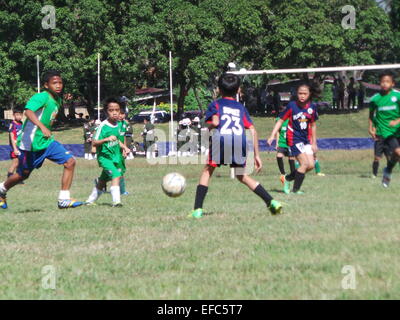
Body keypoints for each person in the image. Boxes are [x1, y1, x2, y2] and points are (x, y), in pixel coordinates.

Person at [189, 73, 283, 219]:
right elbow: (252, 129)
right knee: (242, 175)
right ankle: (271, 202)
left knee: (207, 171)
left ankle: (197, 210)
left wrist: (206, 129)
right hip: (239, 141)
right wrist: (257, 155)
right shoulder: (240, 107)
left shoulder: (216, 104)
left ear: (219, 90)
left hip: (221, 139)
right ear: (238, 90)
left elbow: (214, 122)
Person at [0, 70, 84, 210]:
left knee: (70, 162)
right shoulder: (41, 97)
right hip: (30, 144)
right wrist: (41, 127)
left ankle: (63, 199)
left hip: (47, 142)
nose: (58, 85)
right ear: (46, 85)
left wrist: (46, 129)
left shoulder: (57, 100)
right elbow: (28, 111)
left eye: (60, 82)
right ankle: (2, 190)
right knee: (22, 175)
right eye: (54, 83)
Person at [268, 82, 319, 194]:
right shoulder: (292, 106)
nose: (302, 96)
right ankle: (296, 190)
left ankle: (287, 178)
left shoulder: (312, 107)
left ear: (309, 94)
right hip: (294, 139)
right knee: (304, 164)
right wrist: (272, 135)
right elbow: (280, 120)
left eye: (305, 93)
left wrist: (314, 142)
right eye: (300, 93)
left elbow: (313, 125)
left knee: (310, 165)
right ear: (297, 94)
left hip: (305, 139)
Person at [85, 98, 131, 207]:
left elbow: (117, 139)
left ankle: (90, 201)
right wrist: (106, 139)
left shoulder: (119, 125)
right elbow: (94, 142)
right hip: (105, 158)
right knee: (116, 175)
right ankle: (116, 201)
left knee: (102, 181)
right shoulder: (103, 126)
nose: (114, 113)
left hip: (115, 157)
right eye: (111, 110)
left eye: (117, 110)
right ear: (106, 112)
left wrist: (124, 147)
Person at [368, 71, 400, 187]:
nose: (384, 84)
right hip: (385, 131)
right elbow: (371, 115)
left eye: (387, 82)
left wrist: (397, 121)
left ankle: (388, 170)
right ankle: (386, 171)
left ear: (392, 84)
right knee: (398, 152)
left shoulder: (397, 96)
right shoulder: (375, 99)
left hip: (398, 130)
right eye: (382, 82)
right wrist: (370, 128)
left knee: (396, 156)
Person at [273, 106, 296, 185]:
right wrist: (277, 143)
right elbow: (278, 131)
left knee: (291, 158)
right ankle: (282, 174)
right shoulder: (279, 120)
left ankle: (293, 174)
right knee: (279, 156)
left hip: (290, 142)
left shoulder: (292, 120)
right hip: (282, 142)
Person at [6, 108, 23, 179]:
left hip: (21, 146)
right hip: (15, 147)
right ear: (13, 115)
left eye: (20, 115)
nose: (19, 116)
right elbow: (12, 137)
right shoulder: (12, 124)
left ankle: (17, 177)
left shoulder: (21, 123)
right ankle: (10, 177)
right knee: (15, 162)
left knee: (20, 162)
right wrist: (15, 149)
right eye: (17, 115)